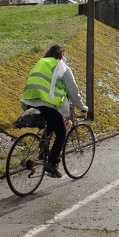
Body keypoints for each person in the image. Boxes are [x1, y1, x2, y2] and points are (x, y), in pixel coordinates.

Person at [20, 44, 88, 178]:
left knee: (51, 124)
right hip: (46, 103)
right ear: (62, 55)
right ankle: (52, 163)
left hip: (29, 102)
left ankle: (42, 152)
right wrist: (82, 107)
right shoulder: (62, 67)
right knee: (61, 132)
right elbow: (73, 92)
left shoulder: (41, 62)